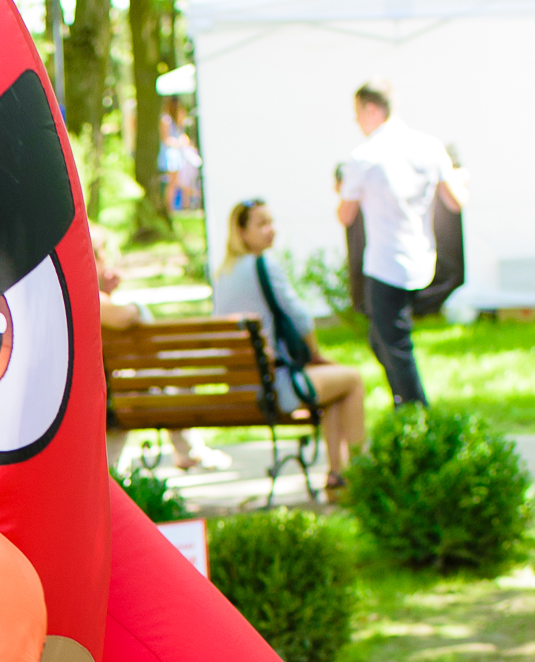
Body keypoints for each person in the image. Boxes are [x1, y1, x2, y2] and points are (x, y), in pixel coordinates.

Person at [211, 198, 370, 495]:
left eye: (271, 222)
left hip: (242, 388)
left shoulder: (223, 274)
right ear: (242, 232)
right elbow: (300, 317)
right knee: (351, 380)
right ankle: (361, 473)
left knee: (334, 392)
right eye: (262, 224)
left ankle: (338, 477)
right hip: (273, 388)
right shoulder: (263, 264)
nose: (271, 230)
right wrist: (316, 354)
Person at [335, 81, 459, 408]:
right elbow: (455, 200)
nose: (356, 121)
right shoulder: (429, 146)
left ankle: (417, 414)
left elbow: (345, 215)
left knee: (395, 343)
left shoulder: (364, 156)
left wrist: (346, 192)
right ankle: (403, 405)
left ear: (371, 109)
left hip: (385, 262)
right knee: (381, 339)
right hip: (422, 255)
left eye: (357, 113)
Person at [97, 228, 216, 476]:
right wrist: (137, 309)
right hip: (114, 395)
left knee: (165, 378)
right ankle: (186, 450)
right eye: (102, 255)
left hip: (115, 391)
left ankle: (186, 450)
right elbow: (121, 317)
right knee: (168, 379)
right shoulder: (90, 296)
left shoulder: (90, 296)